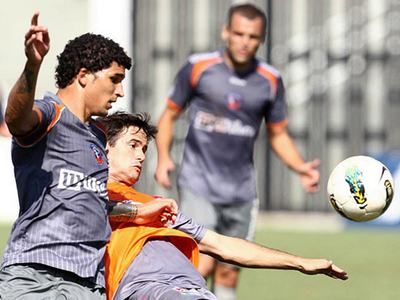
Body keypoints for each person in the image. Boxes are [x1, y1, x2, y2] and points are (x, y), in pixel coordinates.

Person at [0, 12, 177, 299]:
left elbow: (91, 202)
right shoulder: (50, 114)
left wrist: (138, 211)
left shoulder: (97, 135)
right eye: (115, 79)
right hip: (35, 277)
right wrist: (32, 66)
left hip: (88, 283)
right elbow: (16, 118)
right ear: (83, 76)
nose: (120, 91)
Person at [155, 3, 321, 299]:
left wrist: (301, 168)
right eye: (239, 33)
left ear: (262, 39)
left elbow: (278, 133)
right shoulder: (199, 67)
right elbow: (168, 116)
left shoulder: (269, 80)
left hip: (241, 190)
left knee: (230, 268)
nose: (245, 42)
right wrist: (164, 157)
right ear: (226, 32)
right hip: (198, 183)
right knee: (200, 261)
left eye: (253, 37)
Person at [103, 112, 347, 300]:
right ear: (104, 148)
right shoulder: (89, 195)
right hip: (150, 291)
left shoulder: (157, 206)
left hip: (195, 291)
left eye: (144, 149)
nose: (141, 156)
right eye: (133, 145)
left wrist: (299, 262)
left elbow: (221, 244)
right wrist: (135, 211)